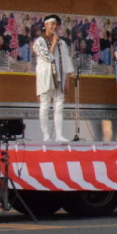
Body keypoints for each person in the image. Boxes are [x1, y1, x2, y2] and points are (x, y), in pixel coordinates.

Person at [32, 14, 74, 143]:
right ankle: (46, 135)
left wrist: (68, 79)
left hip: (60, 76)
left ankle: (59, 135)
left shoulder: (62, 43)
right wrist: (54, 42)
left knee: (59, 105)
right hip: (45, 76)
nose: (54, 27)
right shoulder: (39, 42)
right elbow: (48, 58)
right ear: (45, 25)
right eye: (52, 24)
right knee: (45, 105)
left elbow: (67, 61)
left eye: (56, 25)